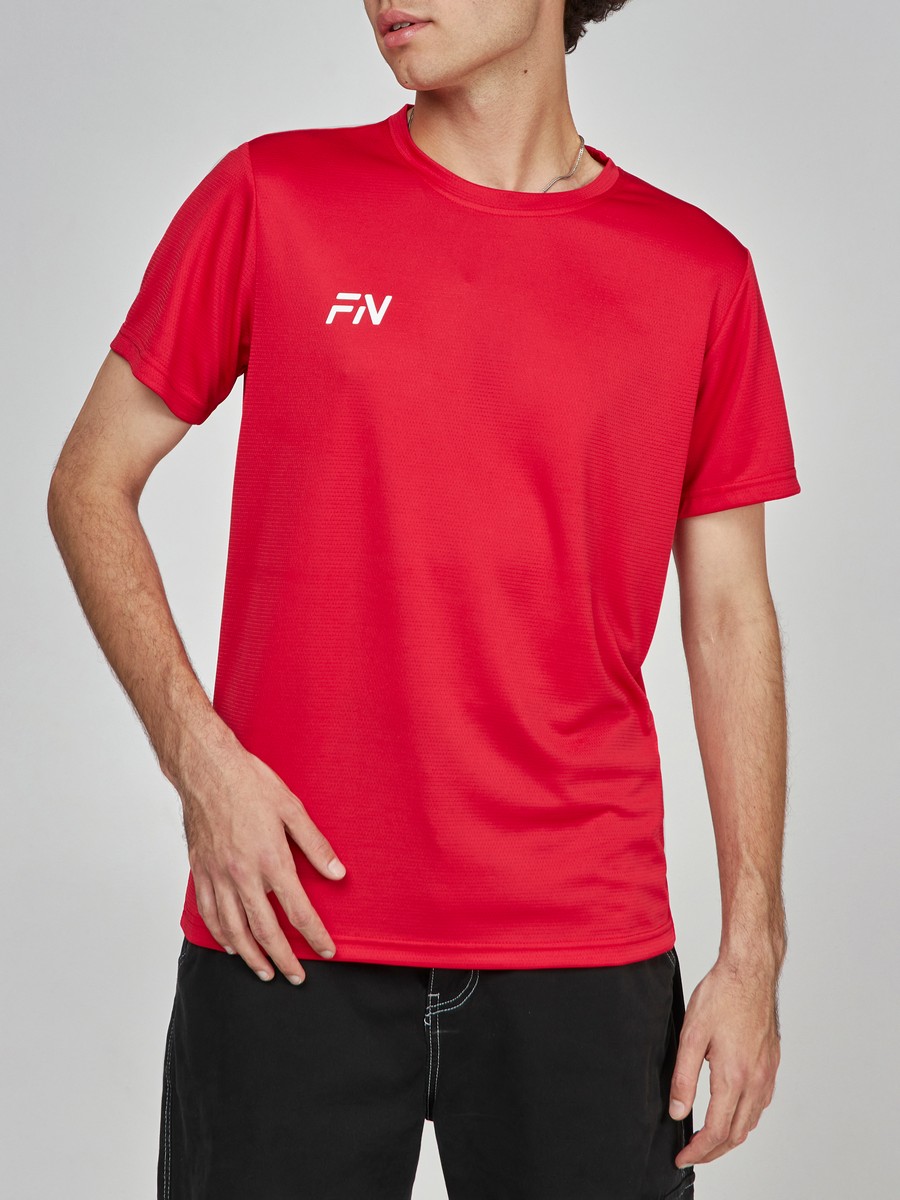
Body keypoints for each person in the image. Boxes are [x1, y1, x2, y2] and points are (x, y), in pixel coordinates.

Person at [47, 1, 800, 1197]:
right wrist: (201, 764)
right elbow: (91, 482)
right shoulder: (273, 197)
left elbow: (729, 617)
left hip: (581, 940)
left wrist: (753, 948)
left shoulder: (696, 271)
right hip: (285, 921)